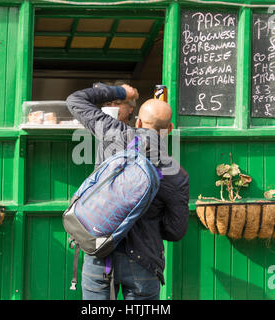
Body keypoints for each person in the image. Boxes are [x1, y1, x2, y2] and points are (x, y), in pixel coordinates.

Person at [66, 83, 189, 300]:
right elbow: (175, 231)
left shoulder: (112, 134)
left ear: (138, 122)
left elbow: (75, 100)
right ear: (169, 129)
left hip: (99, 254)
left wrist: (121, 92)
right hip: (143, 263)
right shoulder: (177, 175)